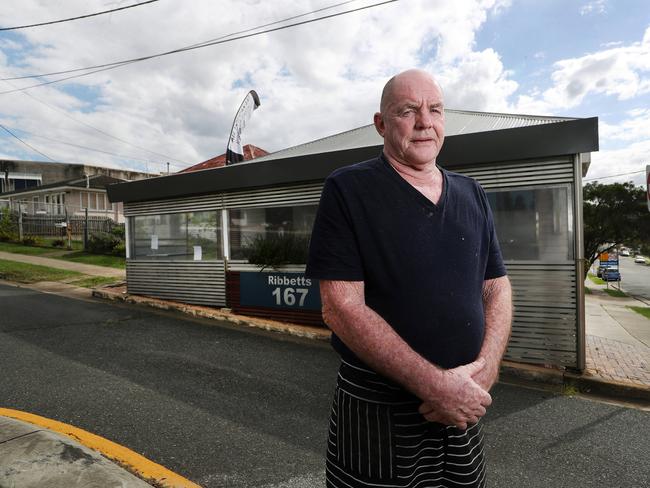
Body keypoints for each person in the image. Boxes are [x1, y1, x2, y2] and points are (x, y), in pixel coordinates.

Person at [305, 69, 513, 488]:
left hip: (463, 404)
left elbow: (496, 286)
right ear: (381, 123)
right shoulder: (348, 189)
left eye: (435, 110)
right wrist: (435, 386)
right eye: (407, 110)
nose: (424, 122)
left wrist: (486, 370)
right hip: (379, 409)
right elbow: (341, 307)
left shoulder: (472, 194)